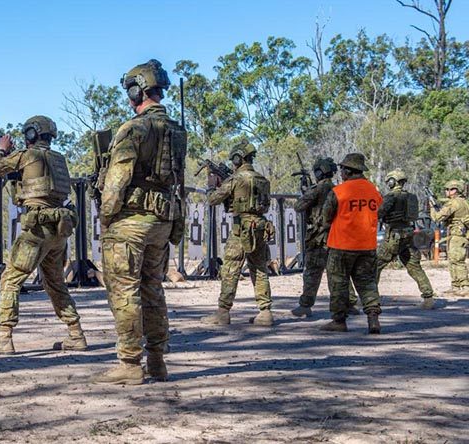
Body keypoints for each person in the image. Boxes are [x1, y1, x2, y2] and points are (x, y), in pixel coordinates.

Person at [92, 59, 186, 385]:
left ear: (137, 90)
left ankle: (130, 363)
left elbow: (117, 181)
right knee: (153, 289)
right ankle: (157, 361)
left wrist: (106, 216)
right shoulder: (177, 130)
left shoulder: (133, 128)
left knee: (124, 292)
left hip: (130, 222)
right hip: (162, 220)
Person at [0, 115, 87, 354]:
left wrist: (3, 150)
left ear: (31, 134)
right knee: (55, 283)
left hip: (37, 228)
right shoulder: (59, 159)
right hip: (59, 229)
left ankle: (4, 338)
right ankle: (75, 333)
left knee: (10, 279)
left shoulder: (27, 156)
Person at [202, 140, 274, 327]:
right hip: (259, 226)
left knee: (230, 269)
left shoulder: (235, 179)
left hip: (241, 227)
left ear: (238, 158)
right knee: (259, 269)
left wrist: (211, 185)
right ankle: (265, 312)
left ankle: (223, 312)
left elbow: (213, 200)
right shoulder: (262, 180)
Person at [320, 153, 382, 334]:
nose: (341, 173)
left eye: (342, 169)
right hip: (367, 245)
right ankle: (373, 318)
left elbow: (326, 217)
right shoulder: (373, 190)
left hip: (341, 245)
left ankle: (339, 321)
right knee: (367, 282)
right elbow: (380, 209)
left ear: (348, 170)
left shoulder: (340, 191)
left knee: (338, 283)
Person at [291, 158, 359, 317]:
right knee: (339, 272)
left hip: (319, 237)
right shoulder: (338, 189)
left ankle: (305, 305)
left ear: (318, 172)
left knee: (313, 272)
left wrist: (306, 192)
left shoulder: (317, 189)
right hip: (338, 236)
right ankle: (349, 303)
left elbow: (299, 206)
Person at [376, 170, 436, 309]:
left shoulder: (391, 197)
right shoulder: (412, 197)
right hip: (408, 234)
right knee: (414, 266)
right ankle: (428, 297)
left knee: (375, 265)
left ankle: (371, 298)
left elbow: (379, 213)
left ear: (392, 181)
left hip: (394, 235)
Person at [430, 179, 469, 296]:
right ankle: (456, 286)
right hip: (457, 235)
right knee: (453, 260)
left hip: (457, 235)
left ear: (458, 190)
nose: (448, 191)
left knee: (457, 261)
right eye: (447, 189)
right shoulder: (464, 202)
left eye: (452, 189)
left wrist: (432, 207)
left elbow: (437, 217)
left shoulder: (454, 203)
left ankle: (465, 286)